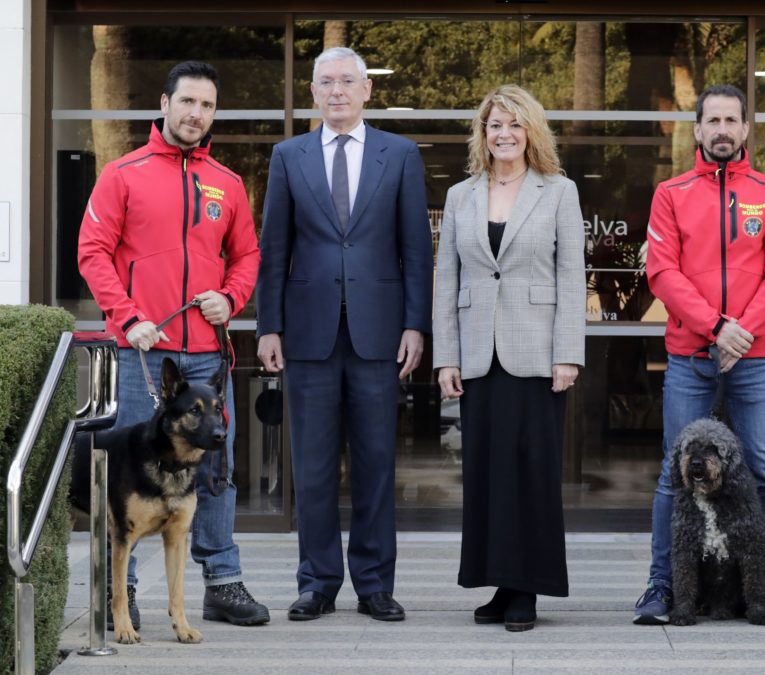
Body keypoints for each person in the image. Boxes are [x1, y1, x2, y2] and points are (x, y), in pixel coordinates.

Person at [78, 60, 270, 627]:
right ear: (164, 104)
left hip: (206, 354)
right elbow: (92, 250)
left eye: (207, 105)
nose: (196, 114)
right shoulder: (123, 173)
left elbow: (248, 256)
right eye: (187, 102)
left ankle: (223, 583)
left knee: (214, 473)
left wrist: (231, 300)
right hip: (144, 353)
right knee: (132, 473)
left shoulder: (228, 184)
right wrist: (127, 315)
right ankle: (124, 590)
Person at [255, 46, 433, 623]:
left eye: (347, 82)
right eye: (326, 82)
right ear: (312, 92)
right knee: (311, 466)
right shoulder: (288, 156)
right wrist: (269, 326)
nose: (336, 91)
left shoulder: (400, 155)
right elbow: (274, 249)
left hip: (379, 335)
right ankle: (318, 583)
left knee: (377, 462)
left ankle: (376, 584)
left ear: (366, 91)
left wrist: (415, 324)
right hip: (306, 336)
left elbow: (415, 251)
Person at [636, 84, 765, 628]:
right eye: (711, 119)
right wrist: (716, 327)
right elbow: (662, 272)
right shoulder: (670, 193)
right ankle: (660, 587)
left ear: (744, 130)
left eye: (730, 120)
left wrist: (741, 333)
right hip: (691, 354)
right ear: (697, 129)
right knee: (673, 475)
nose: (721, 129)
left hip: (755, 358)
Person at [432, 84, 585, 633]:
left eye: (514, 124)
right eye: (495, 124)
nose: (504, 133)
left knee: (532, 473)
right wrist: (445, 356)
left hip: (537, 353)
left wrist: (568, 352)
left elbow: (572, 277)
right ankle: (498, 580)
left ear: (531, 132)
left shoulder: (558, 192)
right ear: (483, 132)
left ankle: (527, 588)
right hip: (477, 354)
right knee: (487, 474)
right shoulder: (459, 196)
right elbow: (445, 279)